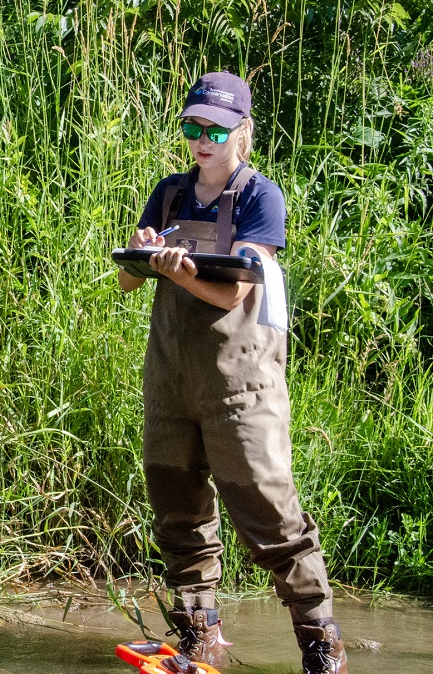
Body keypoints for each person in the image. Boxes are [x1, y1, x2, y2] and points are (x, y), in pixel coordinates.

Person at [118, 71, 347, 674]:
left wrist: (179, 271)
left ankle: (321, 645)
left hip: (241, 387)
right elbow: (126, 278)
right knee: (178, 508)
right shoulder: (168, 194)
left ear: (240, 131)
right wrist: (144, 253)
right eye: (192, 126)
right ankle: (198, 639)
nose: (202, 138)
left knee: (270, 516)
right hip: (170, 379)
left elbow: (234, 295)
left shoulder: (258, 198)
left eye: (215, 128)